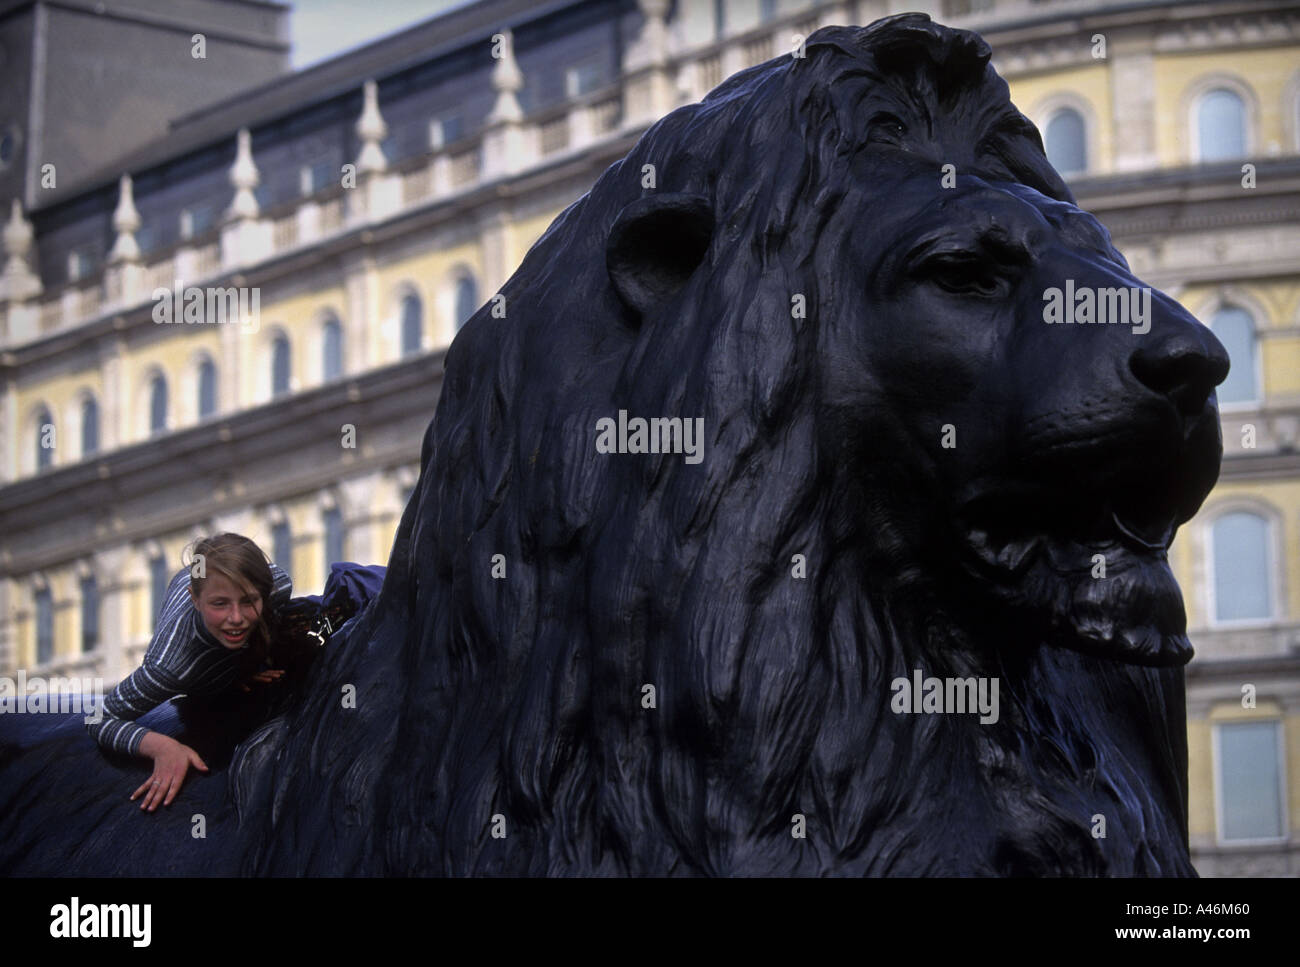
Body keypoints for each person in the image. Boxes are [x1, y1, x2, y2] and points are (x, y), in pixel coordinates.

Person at [86, 533, 292, 812]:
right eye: (220, 604)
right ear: (194, 600)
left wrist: (249, 664)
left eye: (248, 601)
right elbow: (99, 718)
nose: (236, 617)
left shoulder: (278, 586)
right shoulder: (169, 665)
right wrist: (162, 747)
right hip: (193, 639)